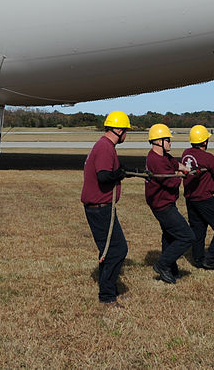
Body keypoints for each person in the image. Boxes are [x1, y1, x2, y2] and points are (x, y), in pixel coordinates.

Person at [82, 111, 131, 307]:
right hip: (100, 208)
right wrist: (119, 175)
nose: (127, 135)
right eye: (126, 131)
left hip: (101, 207)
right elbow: (103, 176)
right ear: (118, 130)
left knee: (109, 250)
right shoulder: (105, 147)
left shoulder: (105, 145)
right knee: (118, 250)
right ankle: (107, 296)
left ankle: (109, 289)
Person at [145, 123, 194, 284]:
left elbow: (175, 164)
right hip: (162, 205)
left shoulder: (164, 156)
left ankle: (171, 269)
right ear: (159, 141)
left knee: (169, 236)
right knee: (187, 236)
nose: (170, 143)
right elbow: (170, 182)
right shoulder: (155, 160)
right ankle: (162, 265)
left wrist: (185, 169)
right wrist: (180, 175)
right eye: (168, 140)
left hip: (167, 202)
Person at [180, 124, 214, 271]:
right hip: (204, 199)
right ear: (204, 142)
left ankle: (198, 258)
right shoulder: (208, 158)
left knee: (198, 229)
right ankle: (210, 259)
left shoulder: (186, 153)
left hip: (191, 198)